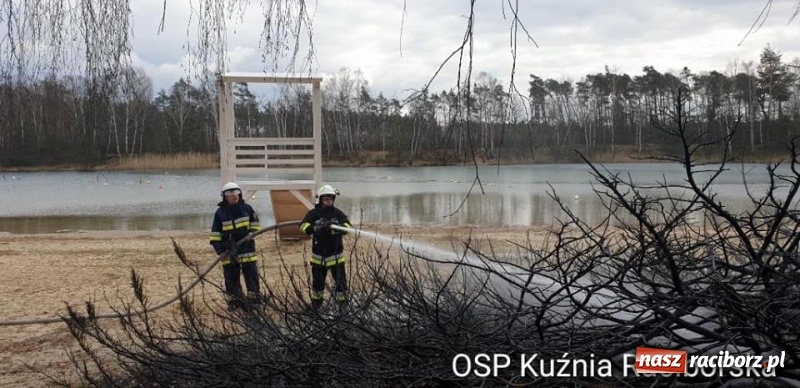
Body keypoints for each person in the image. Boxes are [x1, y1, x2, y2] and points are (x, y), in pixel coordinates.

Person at [209, 182, 262, 310]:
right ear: (224, 197)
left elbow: (255, 226)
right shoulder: (220, 213)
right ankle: (234, 301)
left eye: (236, 193)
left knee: (251, 275)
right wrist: (220, 249)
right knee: (231, 277)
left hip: (246, 248)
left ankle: (254, 300)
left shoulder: (247, 208)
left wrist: (248, 234)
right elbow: (215, 234)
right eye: (230, 194)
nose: (234, 196)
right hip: (228, 249)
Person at [299, 184, 353, 310]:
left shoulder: (337, 213)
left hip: (336, 257)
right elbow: (302, 226)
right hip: (319, 258)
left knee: (341, 285)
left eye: (331, 199)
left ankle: (343, 307)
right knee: (317, 285)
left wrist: (338, 227)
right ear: (321, 199)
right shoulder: (314, 213)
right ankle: (316, 306)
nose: (329, 201)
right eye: (326, 199)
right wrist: (316, 228)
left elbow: (348, 227)